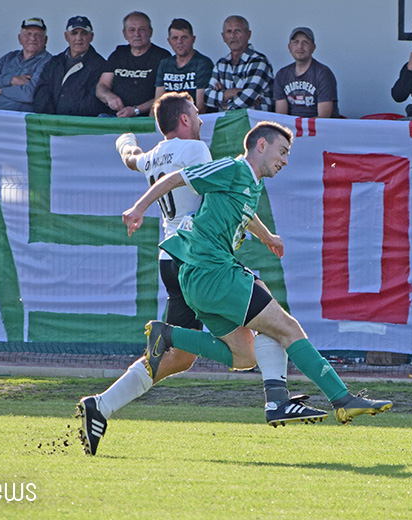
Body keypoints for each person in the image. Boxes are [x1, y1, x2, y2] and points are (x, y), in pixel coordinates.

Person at [76, 93, 319, 455]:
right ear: (185, 120)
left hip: (168, 260)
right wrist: (266, 234)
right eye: (197, 113)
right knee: (266, 317)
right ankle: (276, 397)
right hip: (197, 258)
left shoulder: (153, 155)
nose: (202, 120)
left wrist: (124, 141)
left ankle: (102, 404)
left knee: (179, 356)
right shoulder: (196, 151)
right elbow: (224, 198)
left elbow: (131, 159)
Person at [122, 121, 393, 430]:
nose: (285, 161)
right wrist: (138, 208)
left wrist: (267, 237)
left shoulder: (251, 182)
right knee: (287, 328)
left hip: (206, 276)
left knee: (244, 356)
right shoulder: (232, 169)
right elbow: (175, 178)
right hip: (213, 272)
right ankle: (339, 401)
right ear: (261, 145)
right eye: (283, 151)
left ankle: (170, 335)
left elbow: (244, 214)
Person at [96, 12, 170, 118]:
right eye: (131, 30)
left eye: (142, 29)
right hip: (114, 117)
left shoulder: (162, 57)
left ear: (151, 32)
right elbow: (101, 86)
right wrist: (109, 97)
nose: (137, 34)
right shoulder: (118, 54)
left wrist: (136, 110)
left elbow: (166, 95)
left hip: (145, 119)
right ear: (124, 34)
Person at [32, 16, 106, 116]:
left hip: (80, 127)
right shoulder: (53, 63)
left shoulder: (101, 66)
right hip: (49, 125)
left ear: (91, 37)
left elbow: (93, 104)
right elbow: (41, 94)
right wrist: (52, 119)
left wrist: (64, 119)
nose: (78, 38)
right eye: (74, 33)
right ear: (66, 36)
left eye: (84, 33)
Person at [0, 17, 52, 112]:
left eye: (38, 35)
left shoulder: (49, 61)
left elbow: (29, 95)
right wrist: (12, 80)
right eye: (28, 34)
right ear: (19, 39)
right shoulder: (9, 58)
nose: (32, 38)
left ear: (45, 40)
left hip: (25, 120)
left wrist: (0, 90)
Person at [204, 15, 273, 112]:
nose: (233, 35)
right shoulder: (221, 64)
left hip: (255, 124)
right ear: (223, 37)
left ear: (248, 34)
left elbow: (247, 97)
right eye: (229, 31)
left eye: (237, 31)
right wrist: (231, 93)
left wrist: (225, 105)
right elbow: (207, 97)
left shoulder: (259, 61)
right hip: (228, 124)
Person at [273, 27, 339, 118]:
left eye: (305, 42)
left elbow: (324, 117)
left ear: (313, 47)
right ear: (289, 47)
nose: (300, 46)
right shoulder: (281, 75)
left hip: (318, 130)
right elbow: (281, 116)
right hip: (291, 130)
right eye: (296, 42)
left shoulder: (323, 74)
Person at [154, 18, 213, 114]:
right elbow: (158, 103)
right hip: (168, 121)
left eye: (184, 37)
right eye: (175, 38)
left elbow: (201, 107)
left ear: (193, 39)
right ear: (169, 41)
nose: (179, 41)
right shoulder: (165, 64)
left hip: (195, 121)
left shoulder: (203, 63)